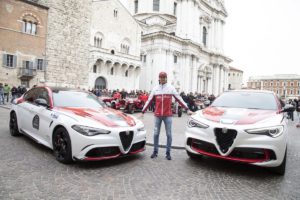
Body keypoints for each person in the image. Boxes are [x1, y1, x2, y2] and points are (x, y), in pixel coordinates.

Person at [141, 72, 193, 160]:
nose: (163, 79)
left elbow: (179, 98)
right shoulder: (155, 89)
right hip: (157, 115)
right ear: (159, 78)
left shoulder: (171, 88)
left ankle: (168, 153)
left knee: (169, 134)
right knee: (156, 134)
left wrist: (187, 109)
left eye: (165, 77)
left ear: (166, 78)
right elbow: (149, 100)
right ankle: (155, 151)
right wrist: (143, 111)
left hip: (168, 115)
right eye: (161, 77)